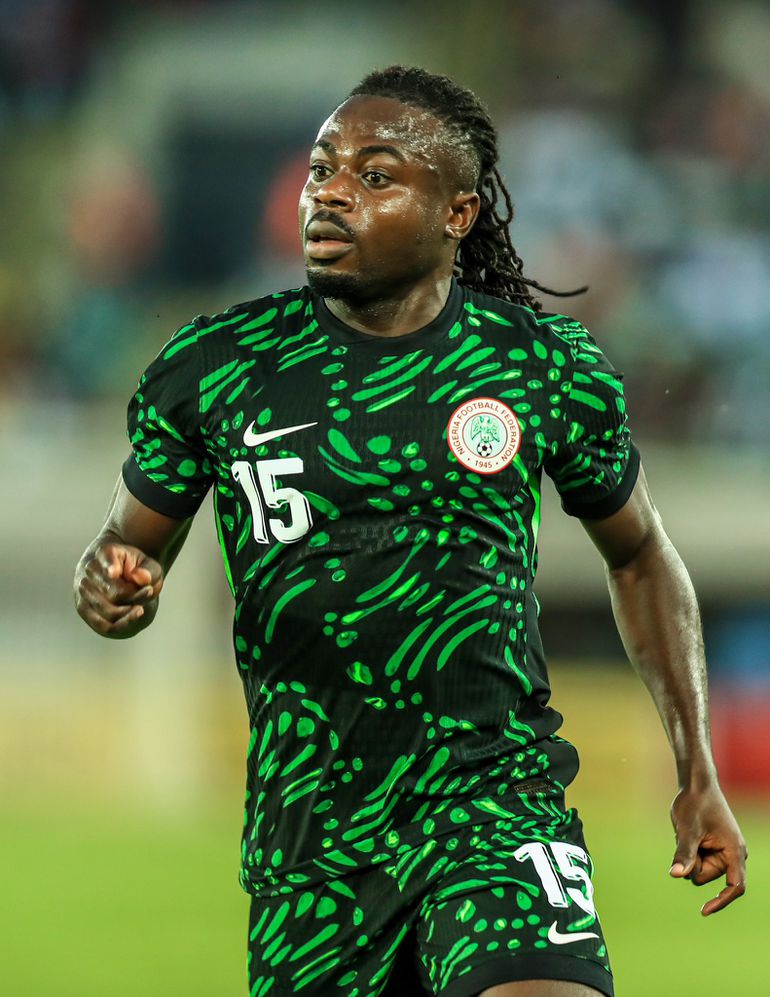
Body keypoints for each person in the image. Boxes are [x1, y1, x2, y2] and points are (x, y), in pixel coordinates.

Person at [73, 66, 747, 997]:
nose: (331, 192)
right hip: (312, 845)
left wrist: (696, 765)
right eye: (322, 169)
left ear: (457, 213)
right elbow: (123, 554)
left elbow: (639, 555)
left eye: (376, 174)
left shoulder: (540, 366)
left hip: (494, 804)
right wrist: (111, 586)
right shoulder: (218, 368)